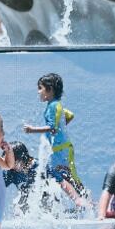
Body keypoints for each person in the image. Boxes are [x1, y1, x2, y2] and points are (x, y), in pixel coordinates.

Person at [23, 73, 90, 209]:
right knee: (56, 175)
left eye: (40, 88)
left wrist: (32, 129)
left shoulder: (53, 106)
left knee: (69, 175)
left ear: (50, 90)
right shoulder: (55, 105)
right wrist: (62, 129)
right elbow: (69, 115)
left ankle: (86, 200)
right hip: (59, 148)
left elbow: (52, 128)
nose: (38, 92)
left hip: (62, 149)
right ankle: (75, 200)